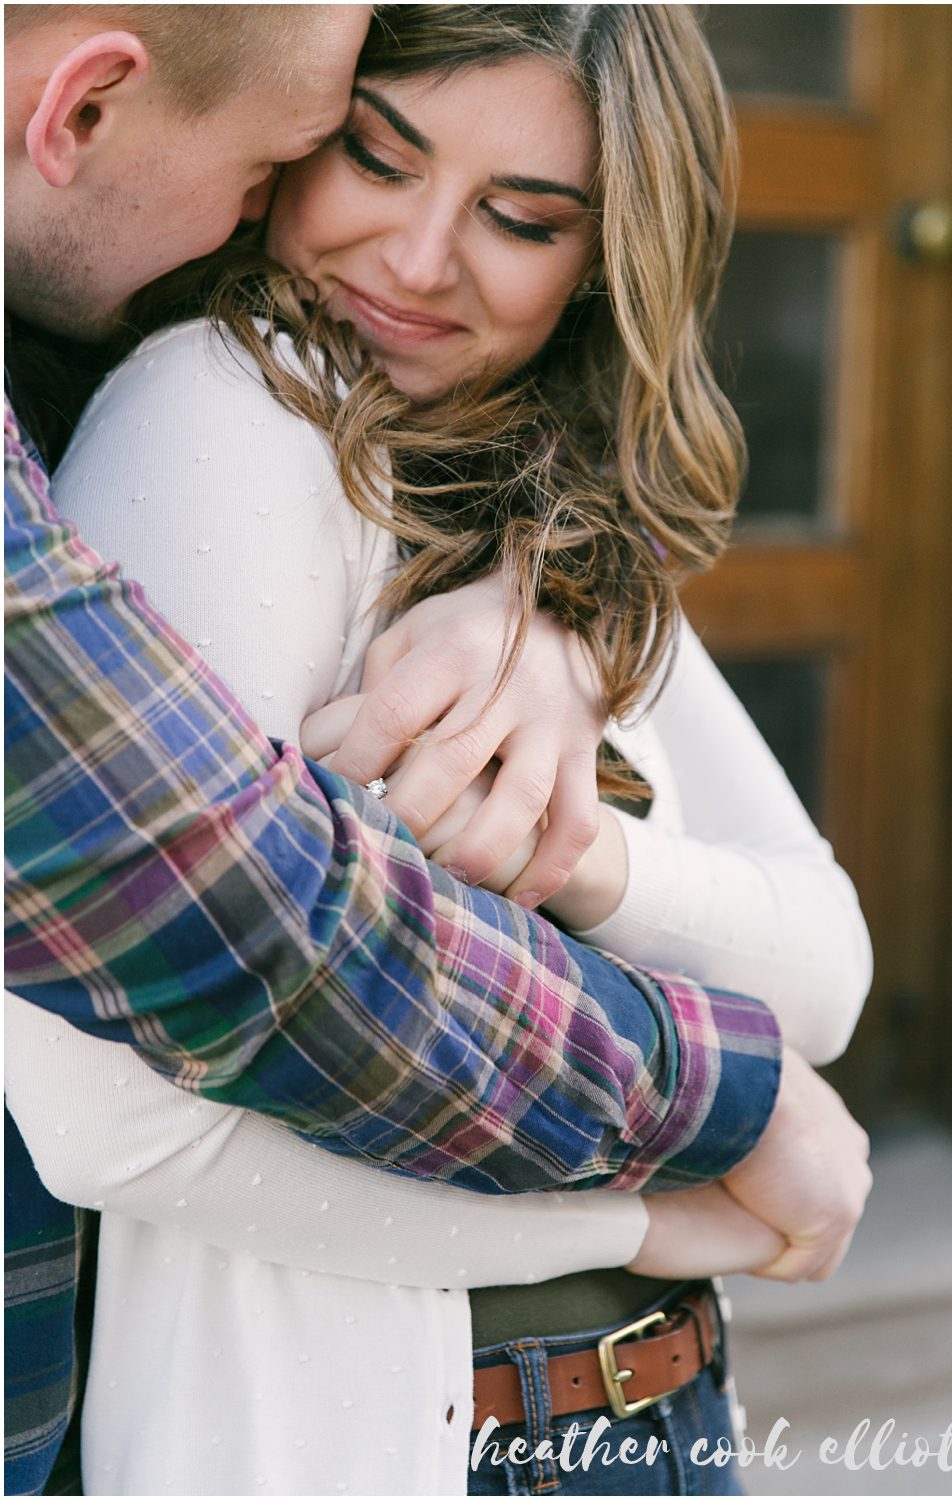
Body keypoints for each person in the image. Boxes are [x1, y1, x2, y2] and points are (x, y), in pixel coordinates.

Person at [1, 7, 868, 1492]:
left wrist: (579, 849)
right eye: (373, 159)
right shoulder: (224, 404)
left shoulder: (542, 518)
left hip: (646, 1418)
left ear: (608, 260)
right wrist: (648, 1216)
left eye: (520, 219)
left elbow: (828, 974)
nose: (414, 260)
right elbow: (110, 1129)